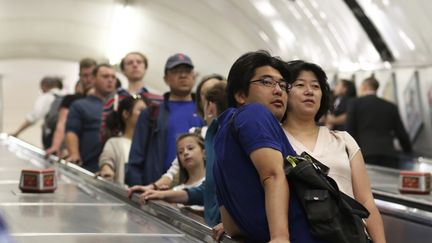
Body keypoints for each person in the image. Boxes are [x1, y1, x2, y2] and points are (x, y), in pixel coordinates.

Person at [213, 50, 324, 242]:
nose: (278, 90)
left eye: (282, 84)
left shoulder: (222, 133)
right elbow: (272, 175)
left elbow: (231, 223)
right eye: (266, 82)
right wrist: (280, 237)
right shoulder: (254, 113)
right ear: (240, 95)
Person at [282, 61, 386, 243]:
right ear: (283, 92)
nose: (309, 91)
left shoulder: (343, 140)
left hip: (350, 237)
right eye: (299, 85)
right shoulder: (273, 140)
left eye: (315, 86)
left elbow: (366, 202)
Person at [129, 81, 228, 227]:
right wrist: (156, 189)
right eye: (182, 151)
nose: (186, 154)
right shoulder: (202, 133)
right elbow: (205, 188)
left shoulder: (228, 137)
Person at [131, 74, 225, 191]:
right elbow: (175, 171)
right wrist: (153, 188)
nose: (211, 98)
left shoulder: (237, 131)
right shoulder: (196, 134)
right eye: (205, 93)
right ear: (200, 102)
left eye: (216, 90)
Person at [126, 53, 205, 186]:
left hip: (197, 191)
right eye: (176, 71)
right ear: (166, 78)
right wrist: (140, 191)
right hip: (158, 189)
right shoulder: (151, 113)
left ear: (194, 76)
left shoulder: (205, 112)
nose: (183, 75)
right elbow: (135, 159)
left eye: (187, 71)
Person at [346, 76, 412, 167]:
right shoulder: (390, 106)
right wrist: (408, 150)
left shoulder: (355, 103)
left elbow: (350, 130)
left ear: (364, 87)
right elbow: (401, 132)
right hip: (388, 153)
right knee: (388, 180)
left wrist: (349, 152)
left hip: (365, 153)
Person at [100, 52, 162, 144]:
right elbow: (104, 130)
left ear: (145, 68)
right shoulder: (113, 100)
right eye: (129, 63)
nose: (135, 65)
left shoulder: (159, 99)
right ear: (123, 70)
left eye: (139, 62)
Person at [65, 64, 116, 172]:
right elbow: (71, 132)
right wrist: (74, 154)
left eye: (113, 77)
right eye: (105, 76)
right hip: (89, 166)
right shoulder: (80, 105)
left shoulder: (118, 105)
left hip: (114, 167)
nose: (110, 80)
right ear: (93, 79)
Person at [135, 133, 206, 211]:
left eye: (190, 148)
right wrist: (164, 201)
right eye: (180, 152)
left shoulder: (211, 184)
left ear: (204, 153)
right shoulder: (176, 190)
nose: (185, 153)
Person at [46, 58, 97, 156]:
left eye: (91, 75)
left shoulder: (105, 98)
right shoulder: (71, 99)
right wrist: (55, 146)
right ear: (80, 77)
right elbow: (62, 123)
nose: (89, 79)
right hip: (75, 150)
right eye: (85, 75)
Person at [98, 95, 146, 184]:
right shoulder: (114, 142)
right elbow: (107, 160)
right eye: (141, 110)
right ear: (126, 114)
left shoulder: (148, 144)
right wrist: (106, 169)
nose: (145, 115)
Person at [12, 76, 64, 149]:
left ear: (44, 86)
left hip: (53, 138)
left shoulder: (47, 97)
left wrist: (16, 133)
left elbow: (33, 117)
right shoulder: (66, 96)